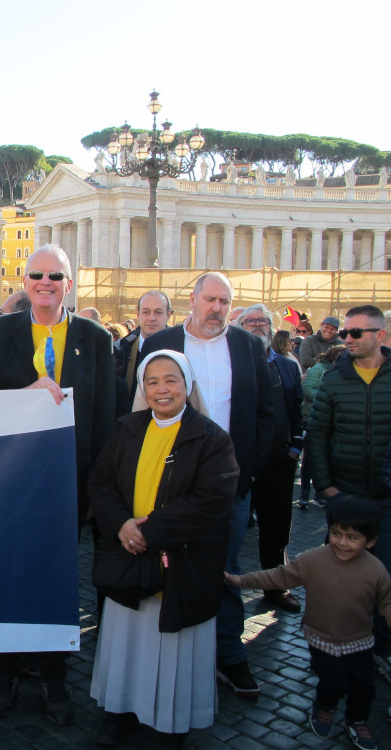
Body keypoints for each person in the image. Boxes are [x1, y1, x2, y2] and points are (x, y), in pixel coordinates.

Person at [0, 244, 116, 724]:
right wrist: (21, 397)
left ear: (69, 284)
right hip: (11, 481)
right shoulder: (1, 331)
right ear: (26, 282)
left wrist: (98, 491)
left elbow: (106, 420)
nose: (46, 282)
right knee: (9, 575)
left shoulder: (95, 338)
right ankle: (6, 672)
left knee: (58, 580)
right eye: (37, 275)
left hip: (69, 483)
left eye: (56, 276)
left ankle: (56, 678)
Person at [90, 351, 237, 747]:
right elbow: (101, 482)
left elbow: (211, 501)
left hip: (181, 565)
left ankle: (169, 722)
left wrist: (149, 533)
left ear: (187, 385)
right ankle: (118, 711)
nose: (161, 389)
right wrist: (121, 524)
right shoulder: (127, 428)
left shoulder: (211, 438)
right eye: (151, 381)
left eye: (171, 380)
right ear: (142, 388)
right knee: (126, 645)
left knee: (173, 647)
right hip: (129, 555)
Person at [140, 271, 272, 698]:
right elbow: (139, 411)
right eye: (211, 299)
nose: (217, 308)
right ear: (193, 300)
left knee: (227, 568)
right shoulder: (161, 344)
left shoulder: (249, 346)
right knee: (166, 566)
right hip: (168, 481)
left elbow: (266, 413)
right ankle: (162, 654)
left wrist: (250, 469)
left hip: (230, 484)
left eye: (225, 301)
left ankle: (229, 654)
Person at [227, 496, 390, 750]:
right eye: (336, 533)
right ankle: (324, 706)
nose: (342, 543)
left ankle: (357, 721)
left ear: (370, 541)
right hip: (321, 638)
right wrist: (242, 581)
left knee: (364, 687)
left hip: (360, 642)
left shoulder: (376, 570)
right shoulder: (313, 560)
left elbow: (386, 602)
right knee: (333, 682)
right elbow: (278, 576)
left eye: (352, 537)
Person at [306, 305, 391, 676]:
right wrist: (327, 488)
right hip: (346, 495)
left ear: (381, 336)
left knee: (385, 575)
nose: (348, 339)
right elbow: (318, 435)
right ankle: (333, 647)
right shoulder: (333, 378)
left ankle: (380, 648)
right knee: (340, 577)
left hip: (387, 499)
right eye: (345, 333)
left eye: (356, 333)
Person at [237, 304, 303, 614]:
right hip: (240, 463)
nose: (257, 326)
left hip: (279, 461)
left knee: (276, 529)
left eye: (262, 322)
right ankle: (222, 586)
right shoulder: (232, 363)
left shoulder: (288, 366)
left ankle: (276, 586)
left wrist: (295, 448)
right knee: (231, 530)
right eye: (249, 322)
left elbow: (296, 410)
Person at [298, 344, 347, 509]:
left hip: (332, 421)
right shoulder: (320, 368)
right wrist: (327, 398)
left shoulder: (345, 372)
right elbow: (307, 388)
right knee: (310, 459)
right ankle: (305, 495)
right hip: (311, 418)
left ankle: (320, 495)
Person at [115, 291, 172, 397]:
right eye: (146, 312)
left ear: (169, 315)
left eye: (158, 312)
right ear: (138, 314)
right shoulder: (120, 350)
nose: (152, 318)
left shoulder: (180, 349)